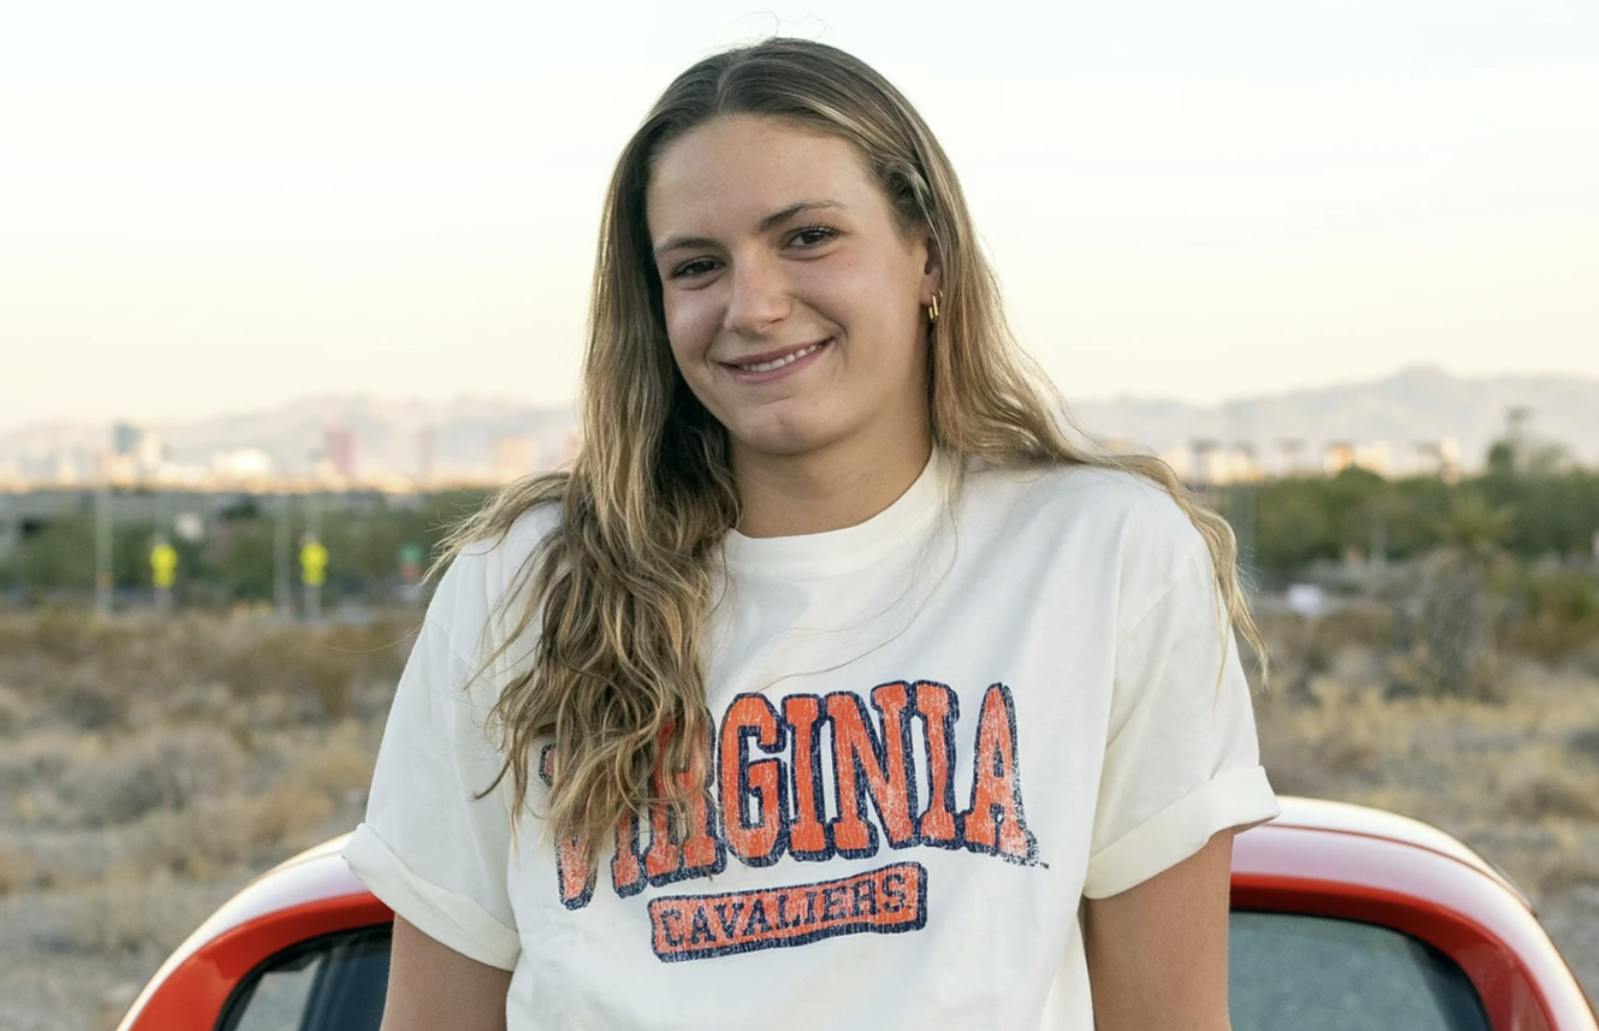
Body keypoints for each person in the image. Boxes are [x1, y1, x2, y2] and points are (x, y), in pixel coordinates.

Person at [342, 36, 1280, 1031]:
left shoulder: (1100, 555)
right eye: (697, 265)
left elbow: (1168, 1015)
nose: (753, 306)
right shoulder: (524, 581)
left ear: (929, 255)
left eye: (807, 237)